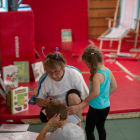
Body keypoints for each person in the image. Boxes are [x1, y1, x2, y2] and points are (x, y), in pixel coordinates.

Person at [68, 45, 117, 140]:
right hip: (106, 106)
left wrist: (86, 99)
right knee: (101, 127)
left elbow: (95, 93)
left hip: (96, 109)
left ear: (92, 63)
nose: (87, 66)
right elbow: (114, 87)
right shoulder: (108, 71)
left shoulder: (96, 75)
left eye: (87, 64)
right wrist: (105, 96)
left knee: (89, 129)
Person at [29, 51, 89, 127]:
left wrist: (78, 107)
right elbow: (37, 99)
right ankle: (58, 127)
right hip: (57, 106)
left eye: (56, 71)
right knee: (45, 117)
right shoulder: (45, 78)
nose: (53, 76)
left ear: (63, 66)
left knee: (73, 96)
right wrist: (43, 102)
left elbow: (87, 98)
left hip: (72, 105)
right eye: (50, 72)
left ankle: (77, 125)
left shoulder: (74, 74)